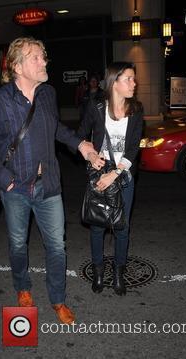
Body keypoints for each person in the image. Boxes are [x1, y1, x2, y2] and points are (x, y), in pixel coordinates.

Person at [0, 37, 97, 324]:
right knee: (18, 244)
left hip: (49, 186)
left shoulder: (48, 94)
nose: (44, 61)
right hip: (15, 188)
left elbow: (54, 127)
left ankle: (58, 300)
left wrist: (81, 145)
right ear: (17, 66)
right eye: (36, 57)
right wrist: (6, 182)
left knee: (57, 245)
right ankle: (22, 287)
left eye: (43, 56)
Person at [78, 62, 143, 296]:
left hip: (122, 176)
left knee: (121, 227)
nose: (134, 83)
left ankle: (118, 273)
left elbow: (134, 149)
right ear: (114, 82)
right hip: (99, 174)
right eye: (129, 79)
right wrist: (91, 154)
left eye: (134, 79)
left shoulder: (137, 110)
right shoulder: (96, 108)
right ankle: (97, 271)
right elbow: (80, 136)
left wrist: (114, 174)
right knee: (97, 226)